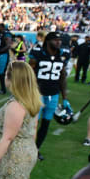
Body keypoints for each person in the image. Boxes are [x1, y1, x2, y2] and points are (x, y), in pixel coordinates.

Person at [30, 31, 71, 160]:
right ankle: (28, 149)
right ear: (48, 41)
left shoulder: (62, 55)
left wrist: (65, 98)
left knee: (46, 123)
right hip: (38, 93)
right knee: (33, 124)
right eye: (55, 40)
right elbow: (29, 73)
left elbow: (62, 77)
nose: (59, 42)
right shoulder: (37, 54)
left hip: (53, 94)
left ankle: (36, 149)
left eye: (60, 40)